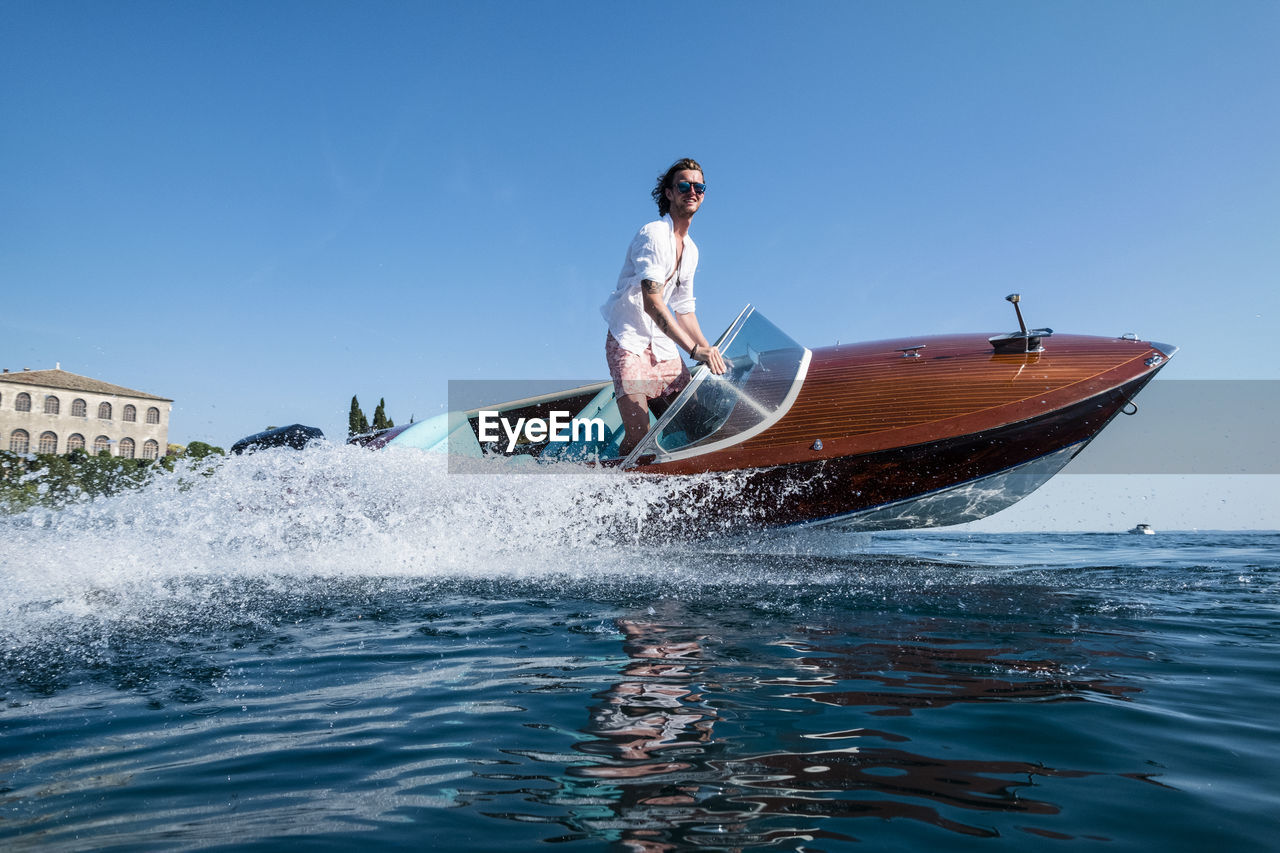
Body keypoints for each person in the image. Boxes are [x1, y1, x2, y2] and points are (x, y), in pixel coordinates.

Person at [601, 158, 728, 456]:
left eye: (699, 186)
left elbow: (684, 310)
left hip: (663, 345)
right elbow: (653, 303)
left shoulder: (692, 251)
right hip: (628, 342)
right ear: (669, 193)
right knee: (639, 435)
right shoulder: (654, 235)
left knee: (697, 423)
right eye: (684, 185)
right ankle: (615, 485)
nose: (692, 191)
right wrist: (695, 351)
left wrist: (711, 352)